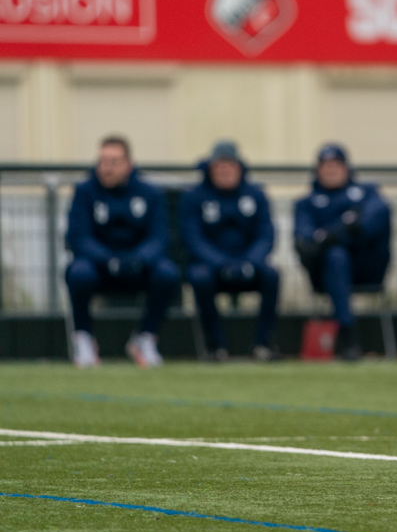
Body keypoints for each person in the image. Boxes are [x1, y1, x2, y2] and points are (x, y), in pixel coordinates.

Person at [65, 135, 181, 369]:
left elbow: (159, 238)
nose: (107, 168)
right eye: (103, 161)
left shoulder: (150, 193)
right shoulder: (84, 192)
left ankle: (145, 338)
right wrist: (108, 260)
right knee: (78, 272)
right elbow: (78, 238)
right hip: (99, 268)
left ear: (129, 163)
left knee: (168, 273)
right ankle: (84, 339)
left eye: (114, 161)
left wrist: (136, 259)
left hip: (137, 267)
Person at [181, 141, 279, 362]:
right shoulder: (195, 197)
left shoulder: (256, 194)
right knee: (199, 277)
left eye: (230, 166)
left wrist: (250, 261)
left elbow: (266, 234)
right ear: (210, 169)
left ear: (239, 168)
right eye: (219, 166)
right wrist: (221, 263)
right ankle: (216, 346)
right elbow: (192, 238)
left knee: (271, 275)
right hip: (212, 265)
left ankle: (263, 344)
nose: (225, 171)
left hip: (248, 263)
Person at [294, 144, 391, 360]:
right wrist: (344, 229)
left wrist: (330, 235)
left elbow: (373, 221)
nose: (331, 170)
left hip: (367, 267)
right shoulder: (306, 203)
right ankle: (348, 335)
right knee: (336, 256)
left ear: (346, 168)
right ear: (317, 170)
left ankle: (348, 335)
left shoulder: (367, 193)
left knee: (338, 252)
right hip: (326, 273)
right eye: (326, 166)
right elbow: (305, 240)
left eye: (336, 165)